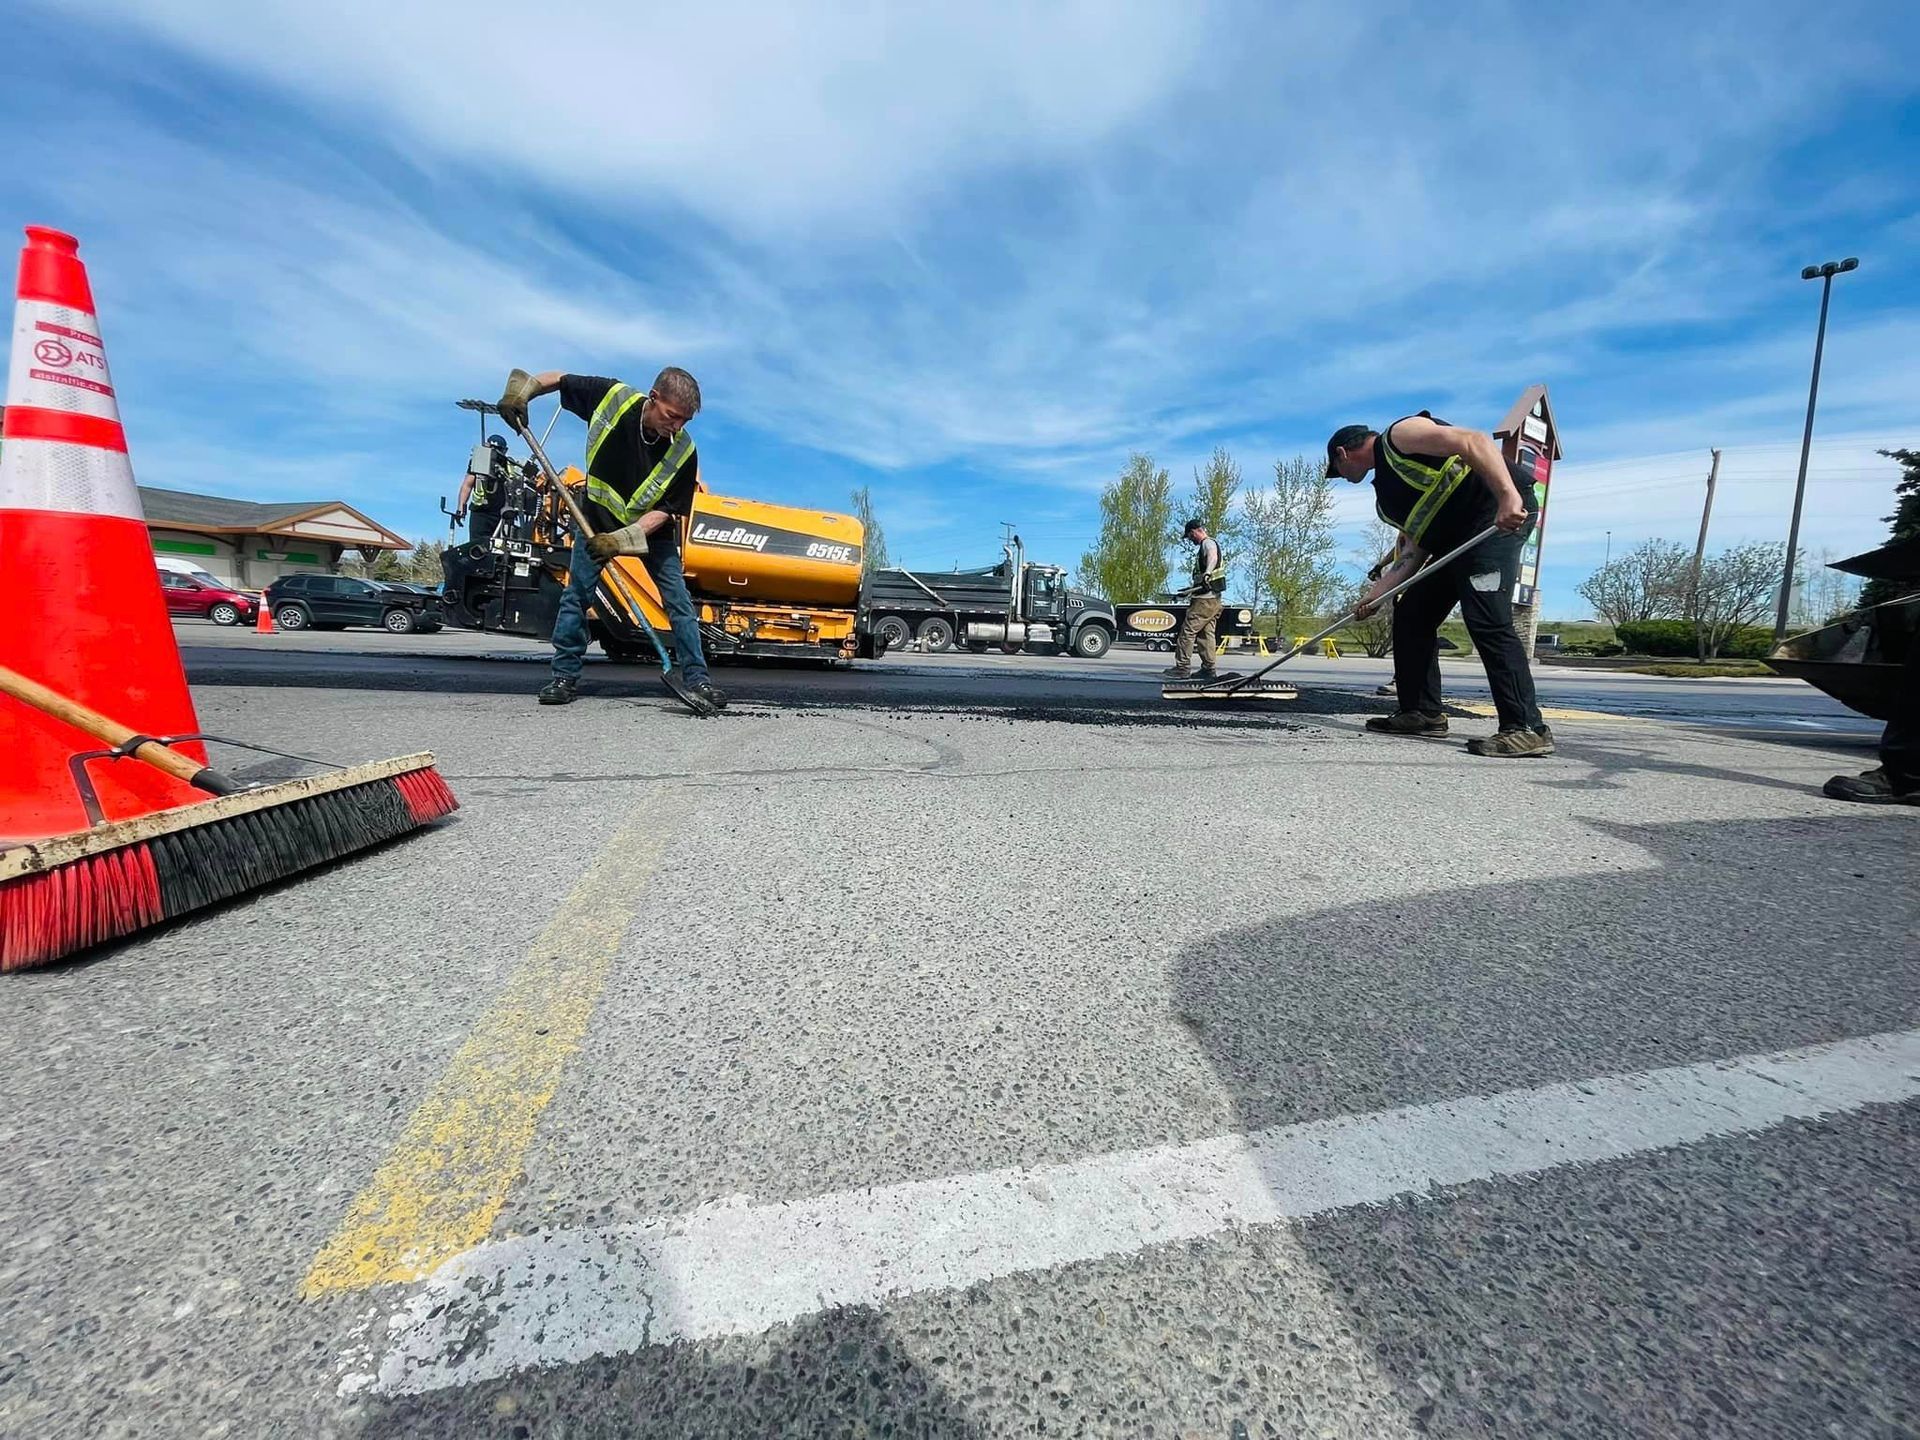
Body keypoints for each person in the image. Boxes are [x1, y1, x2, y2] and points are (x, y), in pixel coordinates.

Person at [496, 365, 722, 710]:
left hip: (651, 532)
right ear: (654, 398)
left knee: (678, 603)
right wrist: (521, 393)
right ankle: (563, 677)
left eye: (685, 421)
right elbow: (558, 379)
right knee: (577, 597)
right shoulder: (612, 398)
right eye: (672, 416)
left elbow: (665, 511)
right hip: (596, 518)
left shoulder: (683, 451)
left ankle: (698, 680)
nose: (676, 427)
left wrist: (619, 541)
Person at [1327, 412, 1551, 757]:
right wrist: (1374, 597)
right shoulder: (1387, 498)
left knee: (1487, 617)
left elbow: (1473, 440)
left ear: (1343, 454)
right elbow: (1413, 553)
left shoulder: (1400, 436)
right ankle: (1422, 712)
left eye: (1337, 471)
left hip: (1496, 518)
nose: (1341, 477)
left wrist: (1508, 496)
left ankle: (1526, 727)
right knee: (1412, 614)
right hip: (1454, 543)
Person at [1165, 518, 1227, 681]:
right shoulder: (1212, 543)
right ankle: (1208, 669)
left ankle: (1182, 668)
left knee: (1187, 632)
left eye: (1189, 536)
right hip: (1214, 599)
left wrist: (1207, 573)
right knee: (1206, 635)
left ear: (1194, 532)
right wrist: (1188, 591)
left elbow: (1212, 557)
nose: (1190, 540)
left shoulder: (1207, 544)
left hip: (1204, 601)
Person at [456, 434, 510, 546]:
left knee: (500, 548)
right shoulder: (478, 462)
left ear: (504, 451)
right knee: (477, 547)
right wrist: (461, 508)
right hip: (480, 512)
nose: (494, 452)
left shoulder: (509, 465)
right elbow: (467, 485)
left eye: (498, 449)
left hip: (501, 515)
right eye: (491, 448)